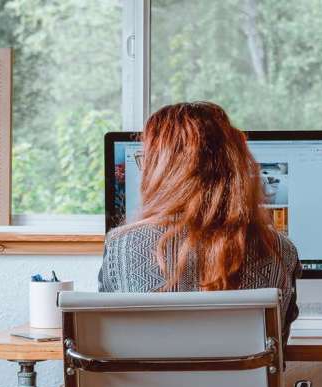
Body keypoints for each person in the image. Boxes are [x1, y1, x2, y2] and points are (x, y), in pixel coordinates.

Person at [99, 101, 301, 346]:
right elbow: (277, 350)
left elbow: (111, 341)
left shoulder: (121, 246)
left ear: (161, 169)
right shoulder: (280, 250)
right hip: (239, 386)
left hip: (146, 384)